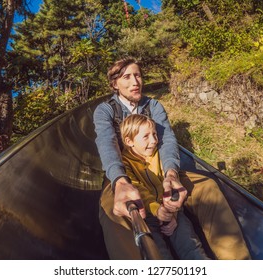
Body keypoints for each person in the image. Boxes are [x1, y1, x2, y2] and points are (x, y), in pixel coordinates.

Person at [93, 57, 251, 260]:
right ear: (115, 84)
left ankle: (237, 262)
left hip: (159, 168)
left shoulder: (153, 106)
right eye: (127, 77)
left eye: (138, 75)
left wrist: (171, 174)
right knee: (113, 210)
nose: (135, 82)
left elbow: (167, 139)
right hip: (126, 173)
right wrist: (120, 181)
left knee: (207, 186)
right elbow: (107, 143)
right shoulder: (106, 110)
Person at [110, 113, 210, 259]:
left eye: (155, 134)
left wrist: (172, 212)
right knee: (157, 254)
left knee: (191, 246)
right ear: (129, 141)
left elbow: (172, 185)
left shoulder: (159, 155)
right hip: (147, 215)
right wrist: (157, 210)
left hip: (172, 211)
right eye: (146, 136)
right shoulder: (125, 163)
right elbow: (138, 188)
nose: (154, 141)